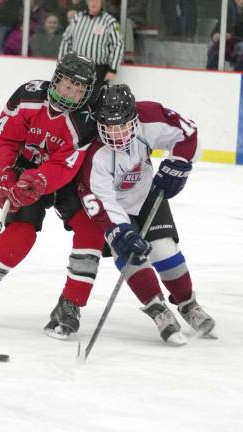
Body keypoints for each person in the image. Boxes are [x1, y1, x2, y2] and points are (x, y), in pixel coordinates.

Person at [43, 84, 215, 344]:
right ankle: (158, 310)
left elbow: (187, 133)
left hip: (146, 194)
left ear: (134, 117)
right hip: (114, 207)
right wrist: (120, 231)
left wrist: (178, 164)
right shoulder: (95, 155)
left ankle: (188, 305)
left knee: (165, 250)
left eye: (122, 125)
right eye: (109, 127)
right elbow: (100, 200)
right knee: (131, 253)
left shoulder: (150, 117)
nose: (117, 133)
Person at [0, 54, 102, 327]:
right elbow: (5, 138)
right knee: (20, 235)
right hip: (21, 170)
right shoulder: (28, 96)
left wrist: (40, 181)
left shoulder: (84, 119)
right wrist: (5, 174)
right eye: (68, 86)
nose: (72, 95)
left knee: (90, 231)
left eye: (80, 90)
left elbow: (65, 166)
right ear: (56, 80)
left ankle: (71, 304)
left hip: (67, 180)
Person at [59, 0, 124, 104]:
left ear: (102, 2)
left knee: (93, 101)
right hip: (76, 67)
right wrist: (62, 61)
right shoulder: (77, 18)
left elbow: (118, 45)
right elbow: (66, 38)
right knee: (72, 98)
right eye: (91, 0)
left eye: (97, 1)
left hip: (97, 70)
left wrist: (113, 69)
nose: (94, 3)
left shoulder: (110, 21)